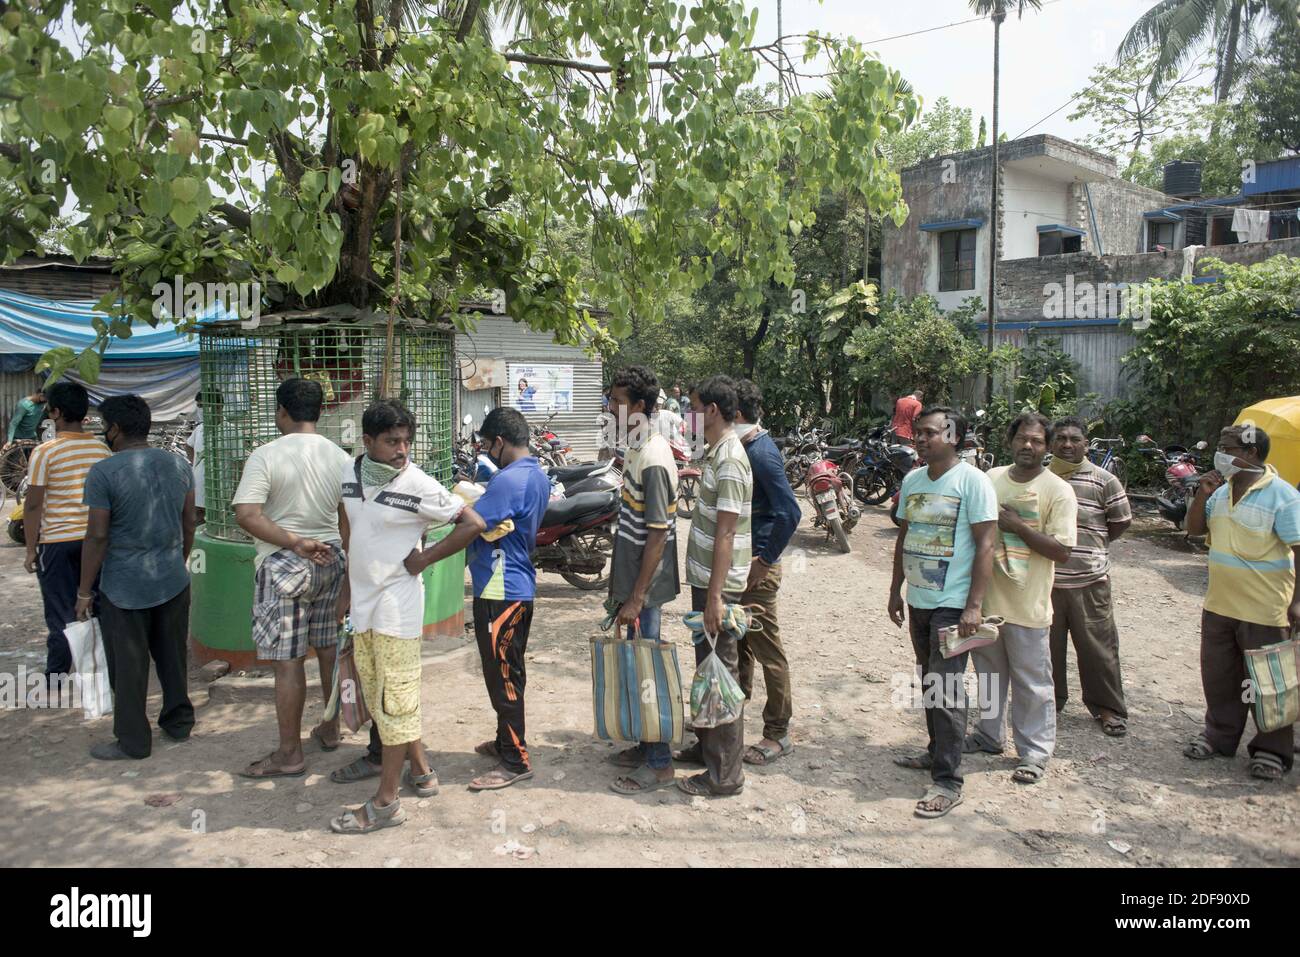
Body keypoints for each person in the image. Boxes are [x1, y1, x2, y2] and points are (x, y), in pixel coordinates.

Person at [328, 400, 487, 834]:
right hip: (363, 608)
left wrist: (425, 558)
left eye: (406, 441)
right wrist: (346, 586)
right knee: (384, 698)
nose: (402, 449)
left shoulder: (418, 484)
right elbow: (350, 527)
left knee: (395, 704)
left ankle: (385, 804)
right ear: (367, 442)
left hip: (397, 611)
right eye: (392, 441)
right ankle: (421, 771)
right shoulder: (349, 473)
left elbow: (472, 523)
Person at [232, 378, 352, 778]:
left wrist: (295, 541)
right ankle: (331, 729)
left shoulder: (265, 455)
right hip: (331, 561)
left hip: (284, 565)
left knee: (287, 662)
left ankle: (289, 754)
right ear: (320, 412)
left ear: (281, 410)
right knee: (329, 650)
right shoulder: (342, 458)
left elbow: (247, 515)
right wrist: (345, 567)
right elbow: (348, 518)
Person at [888, 406, 998, 818]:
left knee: (948, 687)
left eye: (930, 432)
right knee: (928, 678)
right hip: (918, 600)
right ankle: (936, 753)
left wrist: (974, 605)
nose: (919, 438)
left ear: (953, 437)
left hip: (953, 606)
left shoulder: (973, 482)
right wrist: (894, 590)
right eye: (918, 432)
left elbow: (986, 545)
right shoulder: (913, 479)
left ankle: (948, 781)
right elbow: (904, 536)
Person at [76, 395, 196, 759]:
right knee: (172, 656)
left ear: (114, 429)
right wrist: (178, 557)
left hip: (125, 584)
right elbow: (188, 521)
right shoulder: (178, 464)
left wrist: (84, 591)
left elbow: (97, 535)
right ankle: (178, 723)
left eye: (103, 426)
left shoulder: (104, 472)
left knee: (128, 666)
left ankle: (133, 741)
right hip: (172, 578)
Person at [1184, 424, 1300, 781]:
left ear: (1250, 453)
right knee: (1220, 678)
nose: (1220, 453)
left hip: (1265, 609)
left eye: (1227, 446)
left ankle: (1271, 750)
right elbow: (1194, 531)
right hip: (1219, 605)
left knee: (1269, 683)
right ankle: (1219, 737)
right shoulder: (1220, 492)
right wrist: (1202, 494)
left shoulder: (1282, 495)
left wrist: (1297, 603)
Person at [966, 412, 1077, 786]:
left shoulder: (1057, 490)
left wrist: (1017, 527)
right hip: (987, 603)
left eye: (1037, 441)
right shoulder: (990, 479)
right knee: (989, 676)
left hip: (1028, 607)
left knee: (1032, 683)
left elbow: (1062, 551)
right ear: (1010, 440)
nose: (1028, 446)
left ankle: (1034, 753)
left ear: (1046, 448)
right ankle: (988, 735)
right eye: (1022, 439)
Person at [462, 407, 551, 790]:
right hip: (515, 585)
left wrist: (425, 558)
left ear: (499, 442)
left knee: (503, 676)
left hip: (501, 590)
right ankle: (505, 741)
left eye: (486, 443)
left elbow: (472, 525)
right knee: (506, 669)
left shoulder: (507, 481)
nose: (485, 450)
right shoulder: (535, 474)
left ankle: (515, 760)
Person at [673, 375, 753, 797]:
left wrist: (717, 598)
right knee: (709, 668)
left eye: (693, 407)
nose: (689, 416)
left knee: (721, 672)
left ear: (712, 411)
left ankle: (725, 776)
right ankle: (708, 749)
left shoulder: (731, 459)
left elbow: (726, 533)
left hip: (719, 587)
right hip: (707, 583)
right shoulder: (718, 452)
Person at [604, 366, 682, 795]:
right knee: (636, 667)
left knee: (647, 668)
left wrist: (636, 596)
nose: (609, 407)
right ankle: (644, 743)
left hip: (645, 588)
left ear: (637, 407)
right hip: (634, 583)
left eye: (616, 401)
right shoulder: (636, 448)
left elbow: (658, 534)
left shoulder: (653, 457)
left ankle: (659, 761)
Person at [1048, 416, 1133, 737]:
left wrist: (1091, 547)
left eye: (1074, 439)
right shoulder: (1041, 478)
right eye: (1060, 439)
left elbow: (1120, 522)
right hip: (1047, 582)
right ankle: (1049, 702)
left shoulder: (1104, 480)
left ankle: (1107, 709)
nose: (1067, 445)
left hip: (1090, 581)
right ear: (1051, 443)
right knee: (1047, 648)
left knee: (1098, 648)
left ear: (1086, 444)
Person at [23, 381, 111, 687]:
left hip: (57, 543)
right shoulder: (101, 449)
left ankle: (57, 675)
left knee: (60, 611)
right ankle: (103, 671)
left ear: (56, 413)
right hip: (96, 541)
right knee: (98, 605)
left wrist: (31, 548)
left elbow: (33, 505)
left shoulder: (44, 452)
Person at [733, 379, 802, 765]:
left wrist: (764, 560)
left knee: (767, 652)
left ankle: (778, 733)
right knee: (739, 647)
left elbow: (790, 512)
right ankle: (731, 715)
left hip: (757, 570)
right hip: (742, 567)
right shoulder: (746, 448)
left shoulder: (761, 453)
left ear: (737, 415)